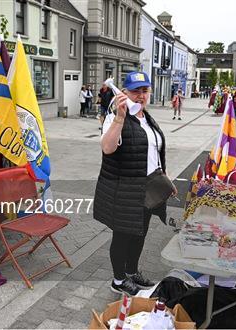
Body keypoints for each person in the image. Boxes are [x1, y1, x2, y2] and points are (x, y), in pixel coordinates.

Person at [94, 71, 177, 296]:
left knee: (139, 234)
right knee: (122, 236)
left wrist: (165, 180)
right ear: (125, 92)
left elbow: (154, 153)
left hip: (148, 189)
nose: (140, 95)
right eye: (135, 91)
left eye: (144, 90)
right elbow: (108, 148)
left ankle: (131, 272)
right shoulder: (115, 117)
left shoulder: (147, 118)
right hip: (125, 190)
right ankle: (119, 280)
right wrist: (120, 118)